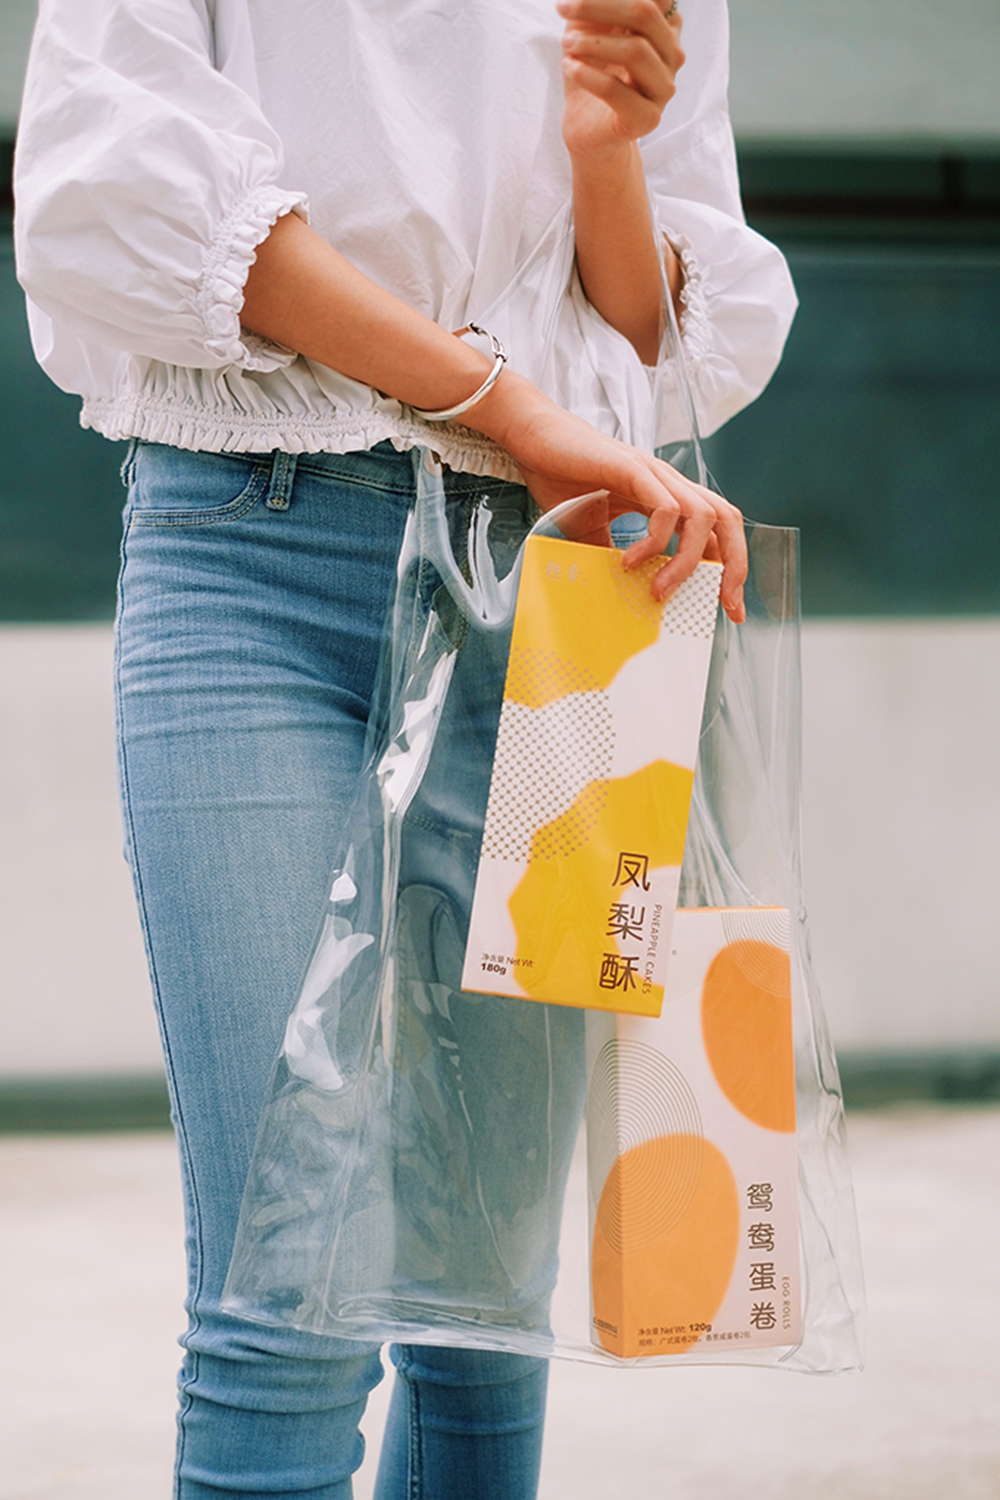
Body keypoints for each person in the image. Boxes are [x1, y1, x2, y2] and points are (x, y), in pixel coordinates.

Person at [14, 1, 797, 1495]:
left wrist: (606, 154)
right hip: (256, 547)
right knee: (286, 1296)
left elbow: (649, 334)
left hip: (564, 587)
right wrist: (501, 400)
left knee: (481, 1320)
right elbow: (112, 168)